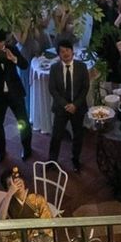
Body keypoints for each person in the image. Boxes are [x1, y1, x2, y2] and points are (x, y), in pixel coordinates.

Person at [0, 28, 32, 164]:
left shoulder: (12, 49)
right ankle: (1, 150)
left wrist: (13, 58)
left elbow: (24, 65)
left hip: (15, 91)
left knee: (23, 121)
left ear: (4, 41)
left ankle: (27, 148)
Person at [47, 38, 89, 173]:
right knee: (56, 135)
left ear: (72, 51)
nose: (65, 53)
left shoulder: (82, 67)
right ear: (58, 55)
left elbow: (85, 88)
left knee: (78, 136)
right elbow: (52, 89)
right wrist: (66, 105)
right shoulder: (54, 68)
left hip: (78, 108)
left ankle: (75, 159)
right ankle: (52, 160)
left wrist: (75, 105)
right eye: (62, 51)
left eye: (67, 50)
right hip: (61, 108)